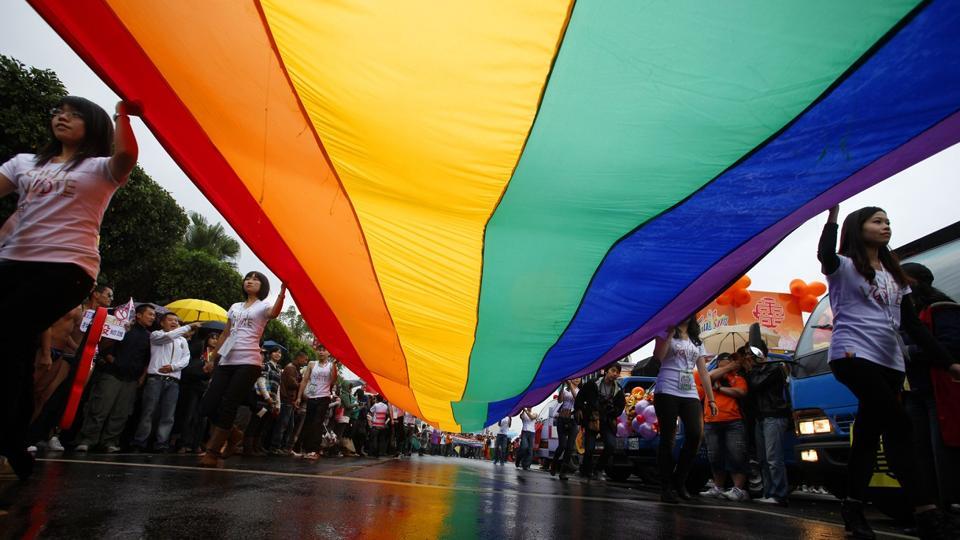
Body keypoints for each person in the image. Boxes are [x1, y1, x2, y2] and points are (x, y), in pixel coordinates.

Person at [0, 97, 140, 479]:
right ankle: (15, 442)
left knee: (10, 337)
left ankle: (12, 439)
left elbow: (126, 156)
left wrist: (122, 115)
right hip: (13, 262)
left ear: (93, 125)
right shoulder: (23, 163)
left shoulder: (98, 169)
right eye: (58, 112)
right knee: (18, 346)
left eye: (74, 114)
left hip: (66, 268)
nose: (62, 117)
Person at [819, 205, 959, 539]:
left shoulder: (897, 276)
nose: (886, 226)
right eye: (877, 221)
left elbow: (913, 326)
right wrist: (832, 216)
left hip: (891, 363)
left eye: (888, 222)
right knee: (900, 426)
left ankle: (852, 507)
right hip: (852, 356)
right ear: (858, 227)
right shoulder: (844, 267)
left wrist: (947, 362)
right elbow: (825, 254)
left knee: (867, 437)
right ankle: (927, 512)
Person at [199, 271, 286, 467]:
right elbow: (226, 334)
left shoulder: (262, 306)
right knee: (209, 403)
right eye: (248, 278)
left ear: (262, 285)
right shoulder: (234, 307)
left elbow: (274, 313)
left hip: (249, 362)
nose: (250, 281)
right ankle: (233, 433)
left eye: (256, 279)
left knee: (230, 403)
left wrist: (282, 294)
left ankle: (212, 451)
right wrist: (213, 359)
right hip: (227, 361)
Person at [901, 262, 960, 513]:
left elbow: (951, 346)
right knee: (920, 453)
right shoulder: (905, 315)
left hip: (940, 391)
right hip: (914, 393)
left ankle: (951, 508)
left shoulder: (942, 309)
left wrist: (908, 353)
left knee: (943, 452)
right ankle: (932, 512)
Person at [653, 317, 717, 503]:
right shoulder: (665, 332)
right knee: (668, 437)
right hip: (667, 388)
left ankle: (679, 480)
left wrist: (711, 399)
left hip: (689, 390)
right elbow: (659, 356)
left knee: (696, 434)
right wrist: (671, 332)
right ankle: (666, 487)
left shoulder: (697, 340)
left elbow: (703, 372)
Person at [75, 304, 155, 453]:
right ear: (138, 315)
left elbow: (147, 360)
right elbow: (104, 346)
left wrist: (142, 377)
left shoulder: (149, 336)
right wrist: (111, 359)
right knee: (99, 408)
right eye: (149, 314)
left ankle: (110, 441)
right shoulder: (123, 328)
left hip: (131, 380)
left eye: (154, 315)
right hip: (111, 375)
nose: (152, 317)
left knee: (121, 413)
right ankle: (87, 439)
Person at [130, 313, 199, 452]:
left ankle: (161, 443)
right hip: (156, 378)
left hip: (173, 381)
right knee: (149, 411)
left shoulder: (182, 341)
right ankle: (140, 441)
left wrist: (173, 367)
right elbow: (168, 337)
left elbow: (186, 358)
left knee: (168, 415)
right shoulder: (156, 335)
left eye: (176, 320)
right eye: (170, 320)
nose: (174, 322)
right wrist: (188, 327)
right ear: (162, 323)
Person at [741, 343, 791, 506]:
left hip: (774, 415)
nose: (748, 357)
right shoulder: (759, 369)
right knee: (763, 458)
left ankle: (779, 494)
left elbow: (756, 384)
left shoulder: (773, 368)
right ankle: (769, 492)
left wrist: (750, 370)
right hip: (761, 417)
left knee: (773, 457)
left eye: (750, 353)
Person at [696, 352, 750, 502]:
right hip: (711, 422)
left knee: (736, 455)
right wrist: (728, 368)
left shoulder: (737, 378)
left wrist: (720, 389)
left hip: (733, 421)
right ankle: (718, 487)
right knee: (715, 456)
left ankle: (738, 489)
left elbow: (740, 392)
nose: (725, 364)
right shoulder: (711, 377)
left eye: (728, 362)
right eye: (723, 362)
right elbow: (708, 376)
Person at [576, 363, 626, 480]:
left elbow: (621, 405)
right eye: (613, 371)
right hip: (593, 419)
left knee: (610, 445)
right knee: (589, 448)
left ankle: (598, 469)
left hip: (607, 421)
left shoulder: (618, 389)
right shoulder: (593, 383)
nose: (615, 374)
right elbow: (580, 396)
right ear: (606, 371)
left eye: (617, 372)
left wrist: (614, 410)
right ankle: (586, 471)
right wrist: (579, 408)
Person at [174, 330, 217, 454]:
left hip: (207, 389)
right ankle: (184, 443)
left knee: (202, 418)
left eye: (217, 338)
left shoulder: (218, 355)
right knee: (189, 415)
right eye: (212, 338)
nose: (214, 340)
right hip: (193, 387)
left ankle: (196, 444)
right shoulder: (199, 349)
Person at [295, 342, 337, 459]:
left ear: (329, 353)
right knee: (308, 423)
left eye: (324, 350)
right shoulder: (312, 364)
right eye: (319, 350)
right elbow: (304, 380)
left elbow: (333, 381)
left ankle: (314, 450)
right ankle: (301, 448)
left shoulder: (331, 365)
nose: (321, 352)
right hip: (311, 397)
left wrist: (334, 367)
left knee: (317, 423)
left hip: (324, 397)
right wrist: (299, 397)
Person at [245, 346, 283, 456]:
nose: (278, 354)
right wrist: (267, 398)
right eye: (275, 352)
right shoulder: (266, 366)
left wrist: (278, 404)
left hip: (271, 401)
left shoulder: (279, 369)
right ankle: (248, 448)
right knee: (255, 422)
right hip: (262, 399)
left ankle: (257, 447)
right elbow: (261, 382)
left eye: (279, 353)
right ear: (270, 354)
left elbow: (278, 388)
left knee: (263, 423)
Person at [272, 350, 307, 455]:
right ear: (299, 358)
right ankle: (275, 447)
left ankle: (282, 447)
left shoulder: (294, 369)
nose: (305, 362)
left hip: (290, 401)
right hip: (286, 400)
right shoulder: (291, 368)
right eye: (304, 359)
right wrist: (302, 383)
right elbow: (292, 384)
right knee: (282, 425)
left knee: (289, 426)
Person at [550, 378, 580, 480]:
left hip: (573, 420)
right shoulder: (565, 390)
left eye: (579, 378)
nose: (577, 379)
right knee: (562, 445)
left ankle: (563, 472)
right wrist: (563, 386)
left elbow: (577, 399)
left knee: (570, 447)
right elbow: (560, 400)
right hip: (562, 419)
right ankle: (554, 463)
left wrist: (570, 385)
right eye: (575, 377)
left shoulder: (580, 391)